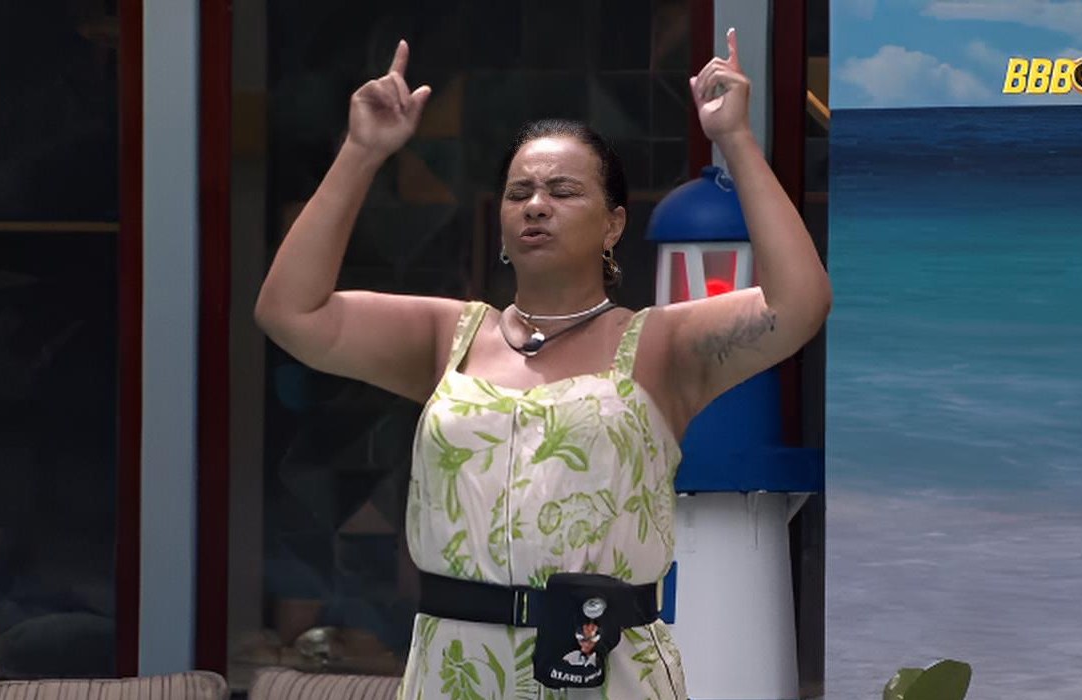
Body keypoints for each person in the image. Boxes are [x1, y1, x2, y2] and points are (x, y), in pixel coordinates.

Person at [256, 27, 831, 700]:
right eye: (519, 192)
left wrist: (735, 140)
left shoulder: (659, 344)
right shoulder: (448, 335)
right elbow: (290, 313)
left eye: (563, 191)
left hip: (604, 669)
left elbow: (799, 304)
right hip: (457, 668)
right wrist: (362, 151)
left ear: (613, 224)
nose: (536, 204)